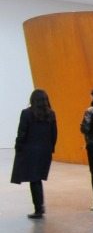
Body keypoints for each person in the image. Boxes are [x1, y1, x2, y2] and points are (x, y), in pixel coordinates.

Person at [11, 89, 58, 219]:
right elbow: (54, 134)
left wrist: (18, 146)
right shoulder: (51, 114)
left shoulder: (26, 113)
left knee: (34, 180)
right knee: (37, 179)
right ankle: (40, 206)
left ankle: (39, 208)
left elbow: (21, 133)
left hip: (30, 151)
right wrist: (51, 148)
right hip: (45, 151)